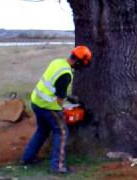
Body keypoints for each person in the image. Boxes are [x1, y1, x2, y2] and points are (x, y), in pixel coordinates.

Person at [21, 45, 92, 173]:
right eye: (81, 65)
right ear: (78, 61)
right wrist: (67, 108)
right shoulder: (66, 74)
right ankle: (58, 167)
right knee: (62, 133)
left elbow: (53, 86)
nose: (80, 68)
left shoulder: (57, 62)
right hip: (48, 107)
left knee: (42, 130)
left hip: (36, 102)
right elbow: (60, 100)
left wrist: (65, 97)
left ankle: (27, 158)